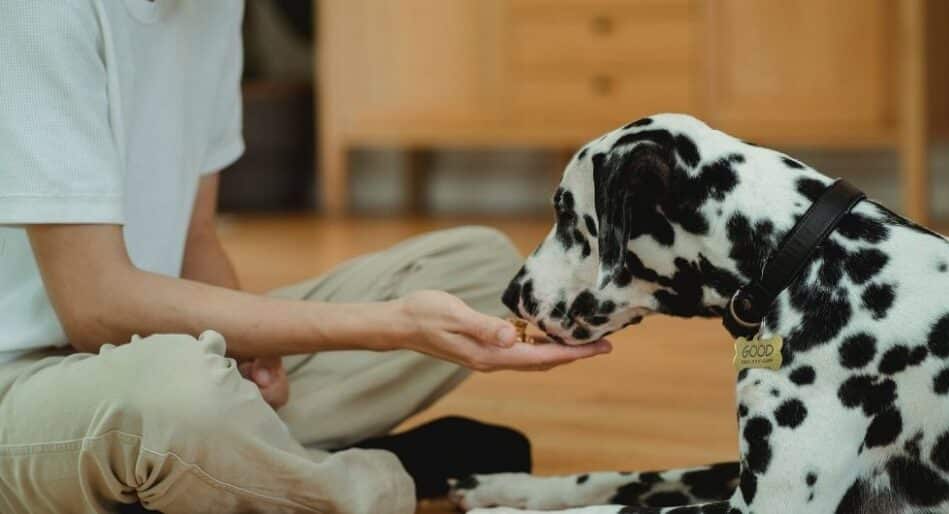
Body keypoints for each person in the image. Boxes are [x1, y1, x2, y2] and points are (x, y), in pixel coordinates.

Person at [0, 2, 611, 513]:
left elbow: (196, 235)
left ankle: (228, 474)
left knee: (478, 268)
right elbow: (95, 305)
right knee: (182, 398)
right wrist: (393, 326)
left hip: (144, 349)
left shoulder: (212, 8)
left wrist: (249, 351)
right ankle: (397, 484)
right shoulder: (41, 12)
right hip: (22, 388)